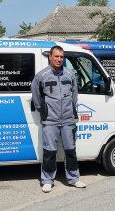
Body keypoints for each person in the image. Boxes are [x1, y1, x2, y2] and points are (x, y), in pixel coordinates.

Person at [31, 45, 86, 193]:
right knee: (49, 151)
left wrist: (70, 108)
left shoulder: (70, 74)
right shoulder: (42, 75)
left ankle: (74, 178)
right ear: (50, 56)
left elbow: (74, 95)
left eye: (61, 57)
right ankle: (47, 180)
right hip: (50, 120)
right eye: (56, 56)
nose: (59, 59)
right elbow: (35, 93)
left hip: (68, 119)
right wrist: (42, 109)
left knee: (71, 151)